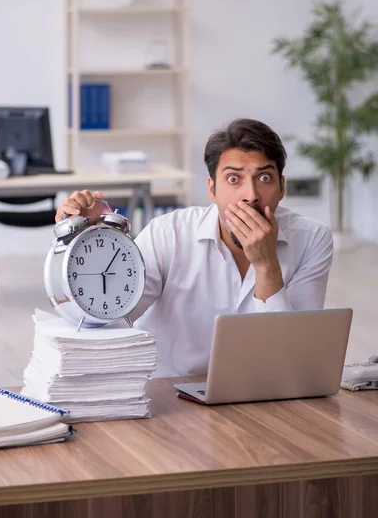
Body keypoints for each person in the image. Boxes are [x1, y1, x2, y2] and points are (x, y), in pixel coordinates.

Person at [56, 119, 333, 377]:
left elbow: (295, 359)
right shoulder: (167, 234)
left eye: (264, 178)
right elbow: (104, 319)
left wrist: (266, 265)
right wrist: (86, 243)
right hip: (170, 397)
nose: (250, 195)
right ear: (212, 189)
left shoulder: (312, 239)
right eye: (234, 179)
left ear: (281, 187)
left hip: (261, 399)